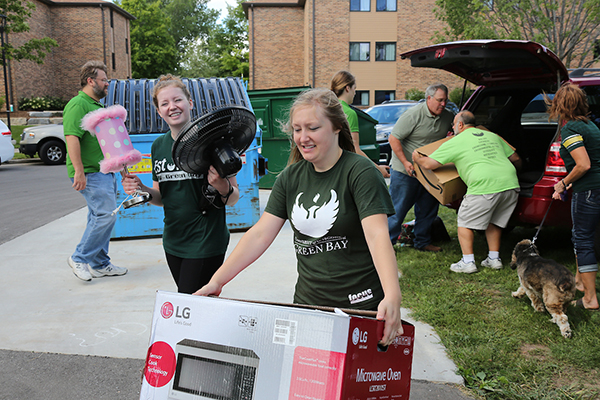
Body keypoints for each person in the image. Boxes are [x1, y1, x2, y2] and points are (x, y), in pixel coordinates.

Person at [195, 88, 403, 345]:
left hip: (362, 307)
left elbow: (377, 234)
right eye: (297, 129)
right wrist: (217, 280)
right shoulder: (290, 178)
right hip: (308, 306)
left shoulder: (359, 172)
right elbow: (260, 234)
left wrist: (392, 296)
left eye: (313, 128)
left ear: (337, 127)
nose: (302, 137)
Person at [121, 74, 240, 294]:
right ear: (159, 111)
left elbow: (233, 198)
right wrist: (141, 189)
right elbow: (161, 197)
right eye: (164, 103)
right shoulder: (159, 146)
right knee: (200, 304)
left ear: (190, 103)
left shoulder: (214, 142)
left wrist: (222, 186)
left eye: (177, 100)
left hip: (206, 240)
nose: (172, 107)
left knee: (188, 302)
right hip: (173, 242)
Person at [413, 111, 521, 273]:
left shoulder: (457, 140)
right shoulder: (492, 136)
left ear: (460, 125)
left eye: (453, 124)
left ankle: (468, 262)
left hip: (484, 185)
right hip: (510, 184)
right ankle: (493, 259)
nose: (452, 127)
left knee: (464, 222)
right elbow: (516, 159)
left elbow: (429, 164)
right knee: (495, 222)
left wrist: (416, 158)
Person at [64, 60, 127, 282]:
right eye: (103, 80)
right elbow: (71, 137)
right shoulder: (78, 104)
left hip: (104, 171)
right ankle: (80, 257)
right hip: (90, 172)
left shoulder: (96, 106)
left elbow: (107, 142)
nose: (107, 84)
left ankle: (100, 264)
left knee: (98, 217)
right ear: (90, 81)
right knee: (106, 215)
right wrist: (79, 171)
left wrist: (118, 167)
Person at [550, 83, 600, 311]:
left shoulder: (571, 129)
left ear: (560, 105)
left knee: (583, 240)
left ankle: (590, 299)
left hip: (588, 190)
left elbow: (583, 164)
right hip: (597, 188)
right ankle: (580, 283)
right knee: (586, 237)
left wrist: (562, 183)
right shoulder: (591, 126)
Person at [387, 83, 454, 252]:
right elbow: (393, 138)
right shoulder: (413, 115)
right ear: (429, 99)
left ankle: (423, 242)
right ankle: (387, 244)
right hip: (405, 171)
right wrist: (405, 162)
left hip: (430, 171)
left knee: (428, 209)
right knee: (397, 210)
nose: (443, 104)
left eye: (445, 100)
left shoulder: (447, 117)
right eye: (440, 100)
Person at [330, 70, 390, 178]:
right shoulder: (349, 113)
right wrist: (377, 168)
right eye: (354, 88)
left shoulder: (327, 108)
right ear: (347, 88)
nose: (355, 93)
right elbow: (354, 149)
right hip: (344, 169)